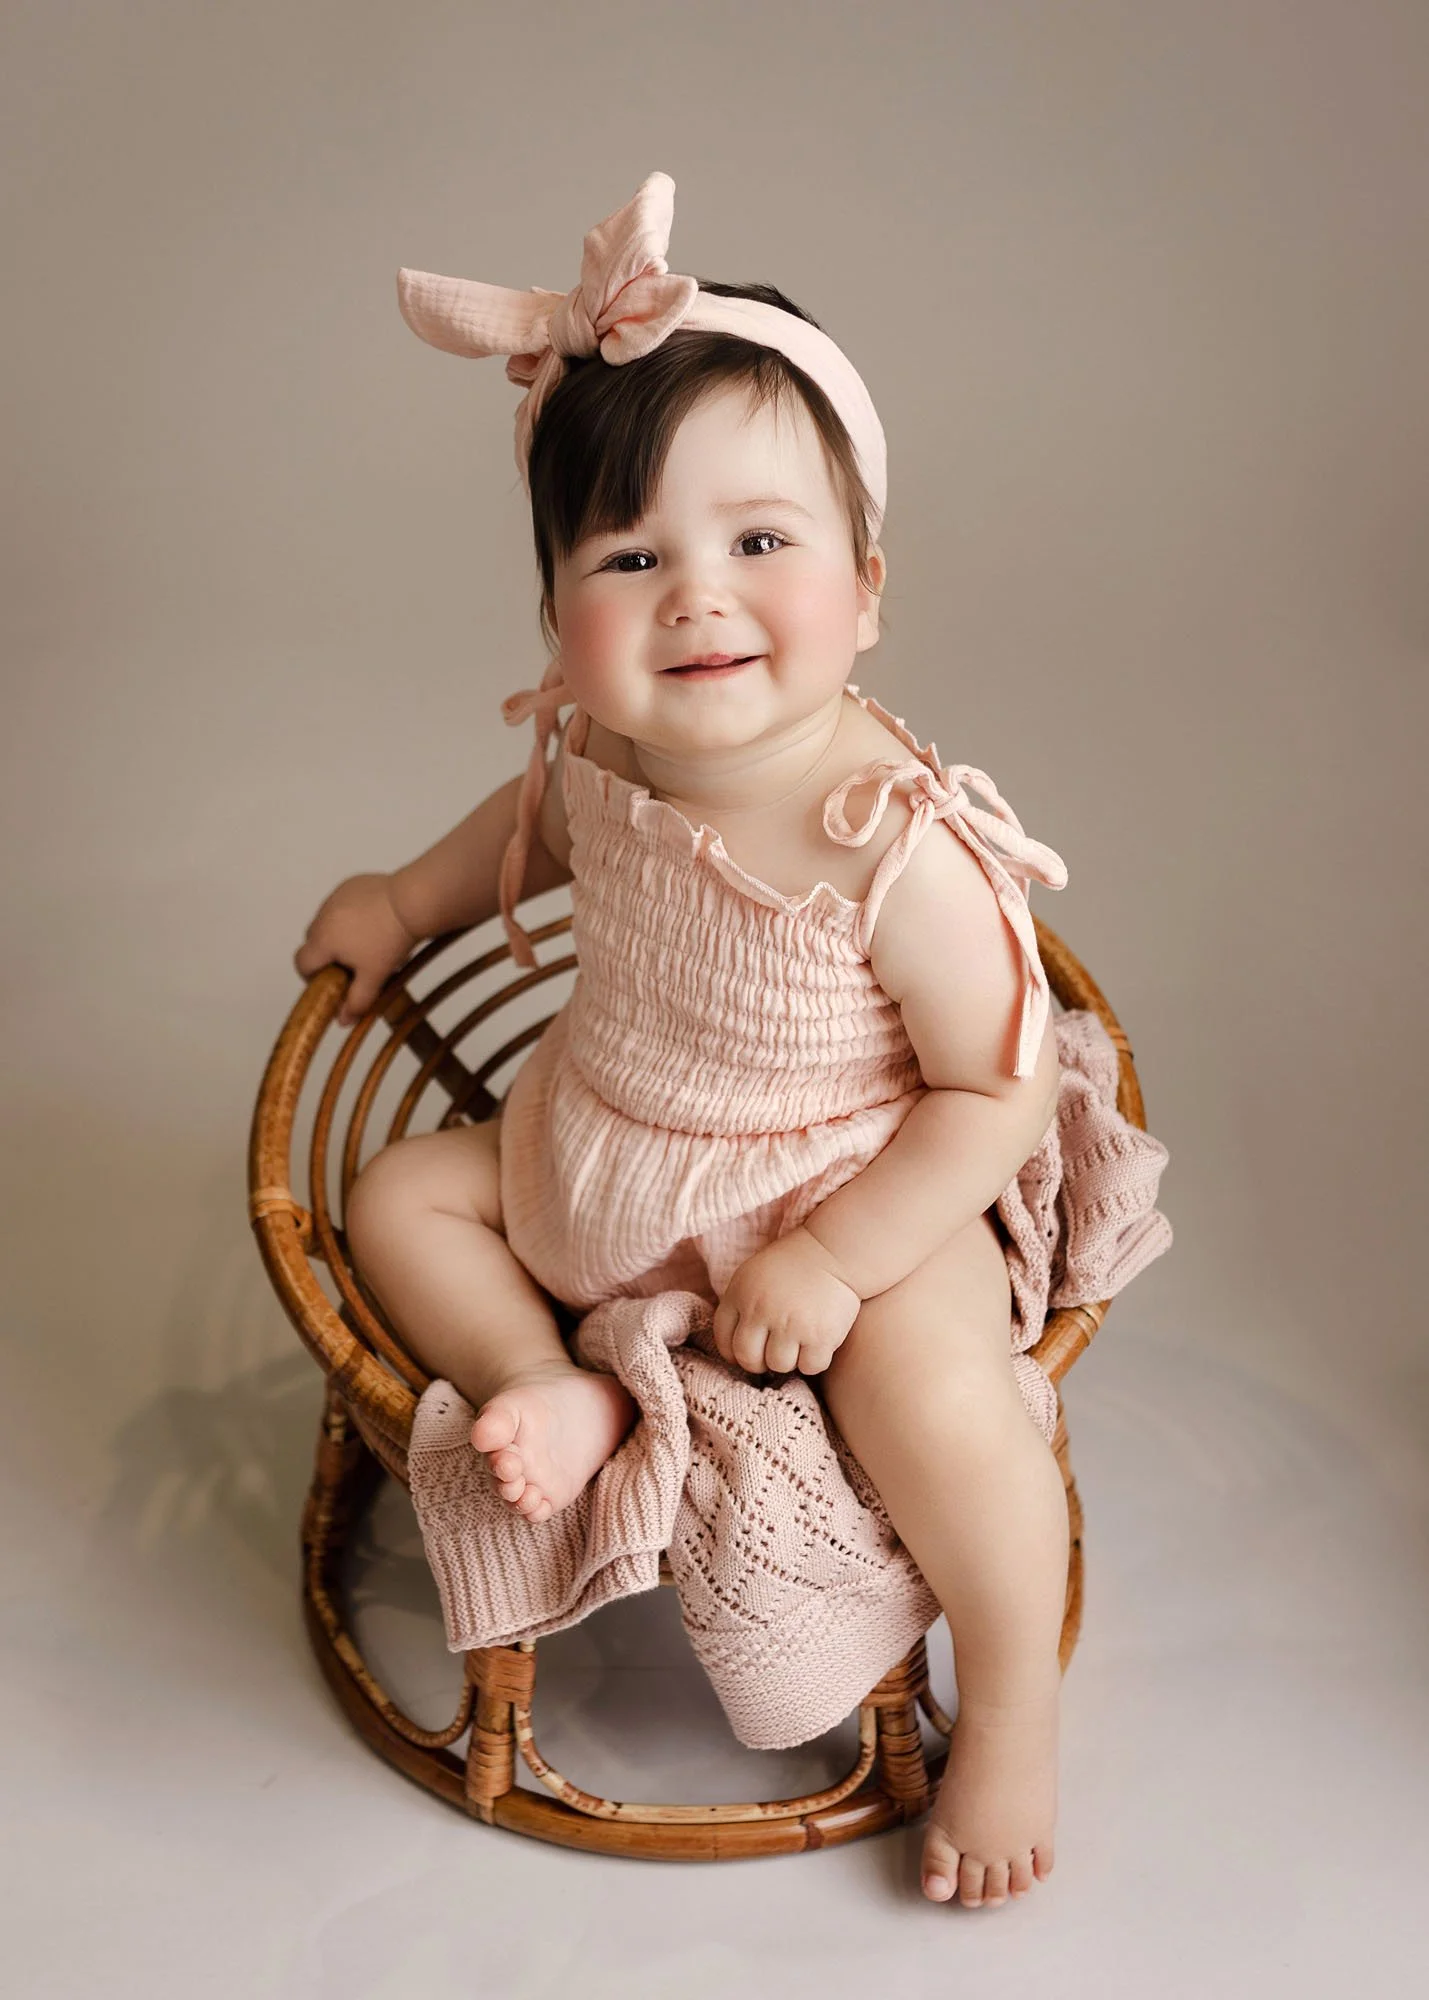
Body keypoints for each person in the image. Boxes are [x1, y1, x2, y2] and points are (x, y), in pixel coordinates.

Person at [293, 172, 1130, 1911]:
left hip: (857, 1186)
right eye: (630, 558)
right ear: (559, 620)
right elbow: (520, 831)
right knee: (400, 1198)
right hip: (610, 1142)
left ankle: (1014, 1704)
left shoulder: (888, 838)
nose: (697, 597)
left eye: (760, 543)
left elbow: (996, 1087)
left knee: (938, 1402)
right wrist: (403, 898)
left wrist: (837, 1258)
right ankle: (548, 1380)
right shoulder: (608, 753)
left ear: (867, 586)